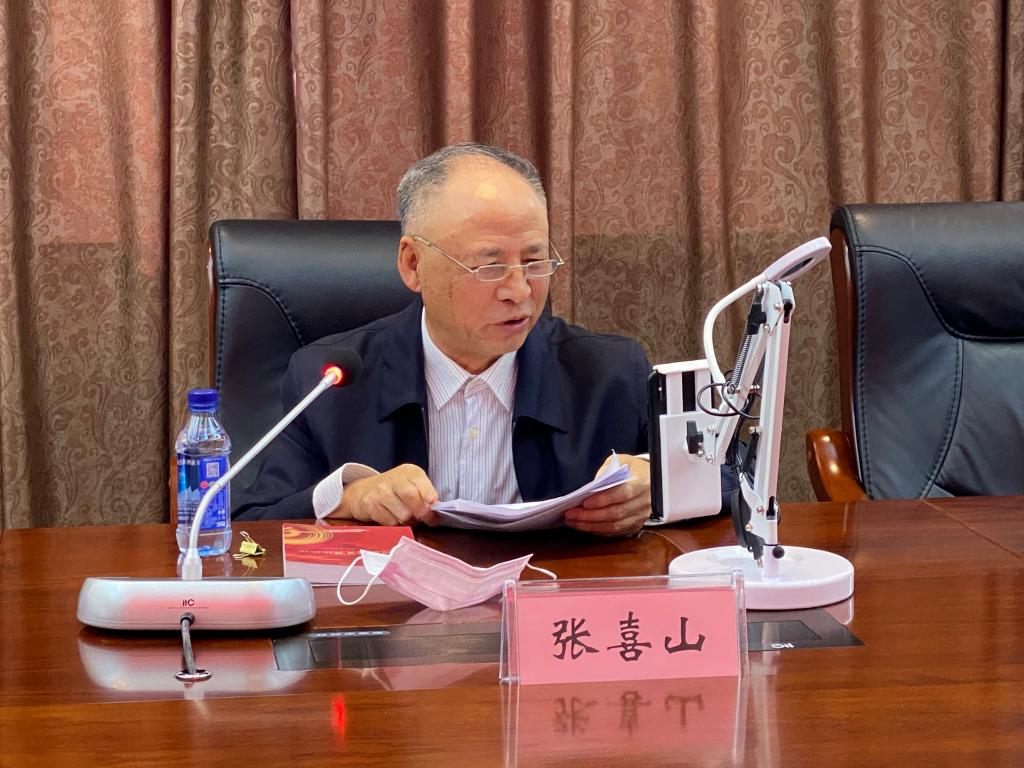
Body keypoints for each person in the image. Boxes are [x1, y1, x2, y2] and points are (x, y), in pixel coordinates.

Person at [234, 142, 653, 536]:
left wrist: (659, 488)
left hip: (551, 586)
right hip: (395, 592)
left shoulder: (610, 375)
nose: (520, 290)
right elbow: (252, 525)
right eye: (489, 267)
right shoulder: (330, 383)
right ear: (413, 264)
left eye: (534, 260)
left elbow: (695, 487)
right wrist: (349, 498)